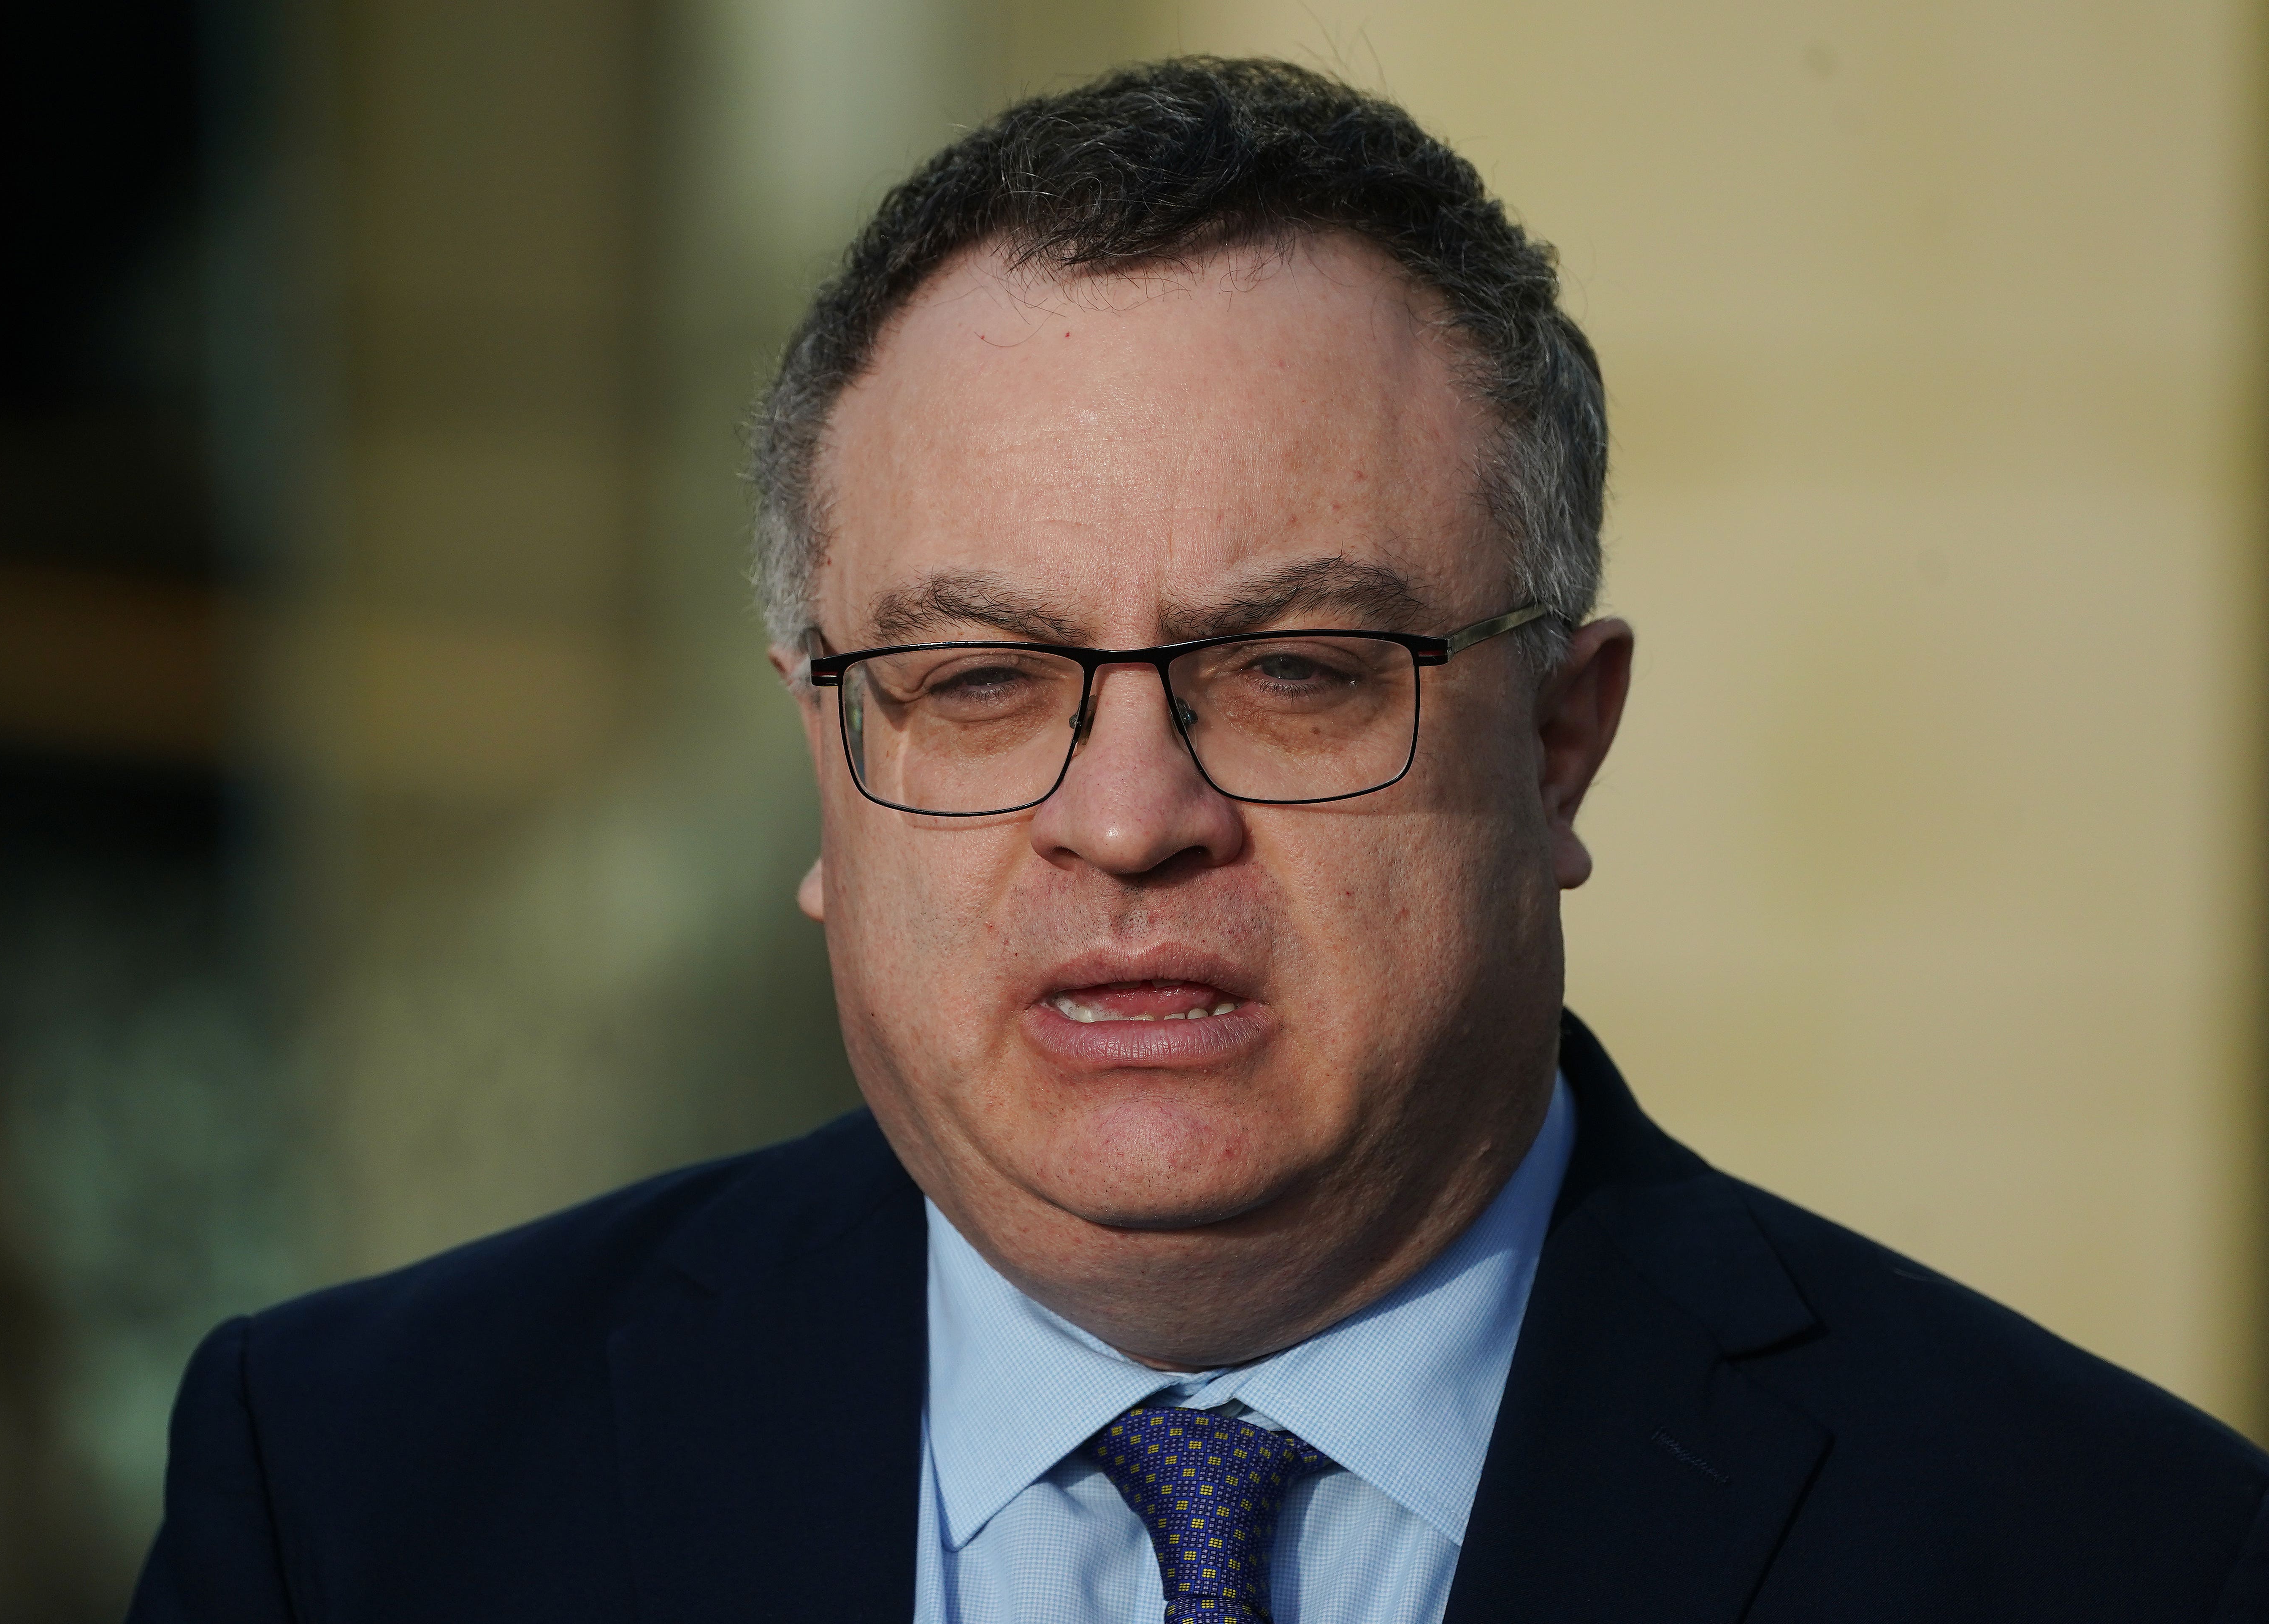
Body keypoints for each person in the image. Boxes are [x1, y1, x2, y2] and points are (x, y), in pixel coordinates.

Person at [129, 58, 2269, 1622]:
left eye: (1299, 669)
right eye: (977, 681)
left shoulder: (2118, 1556)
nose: (1130, 818)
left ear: (1564, 746)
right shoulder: (354, 1492)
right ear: (823, 769)